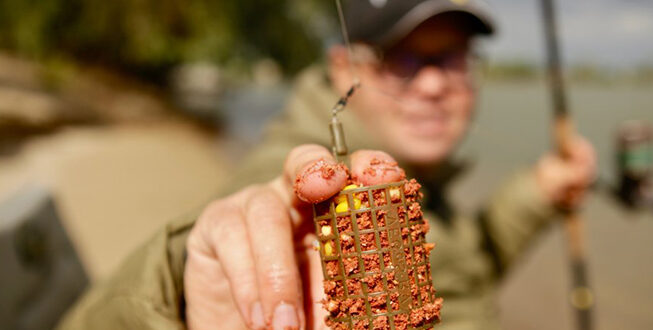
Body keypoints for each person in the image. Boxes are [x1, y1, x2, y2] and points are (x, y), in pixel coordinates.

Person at [59, 1, 595, 329]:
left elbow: (457, 271)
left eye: (450, 58)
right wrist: (187, 278)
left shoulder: (415, 180)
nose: (433, 85)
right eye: (402, 58)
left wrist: (536, 194)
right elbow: (254, 201)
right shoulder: (301, 175)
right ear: (344, 69)